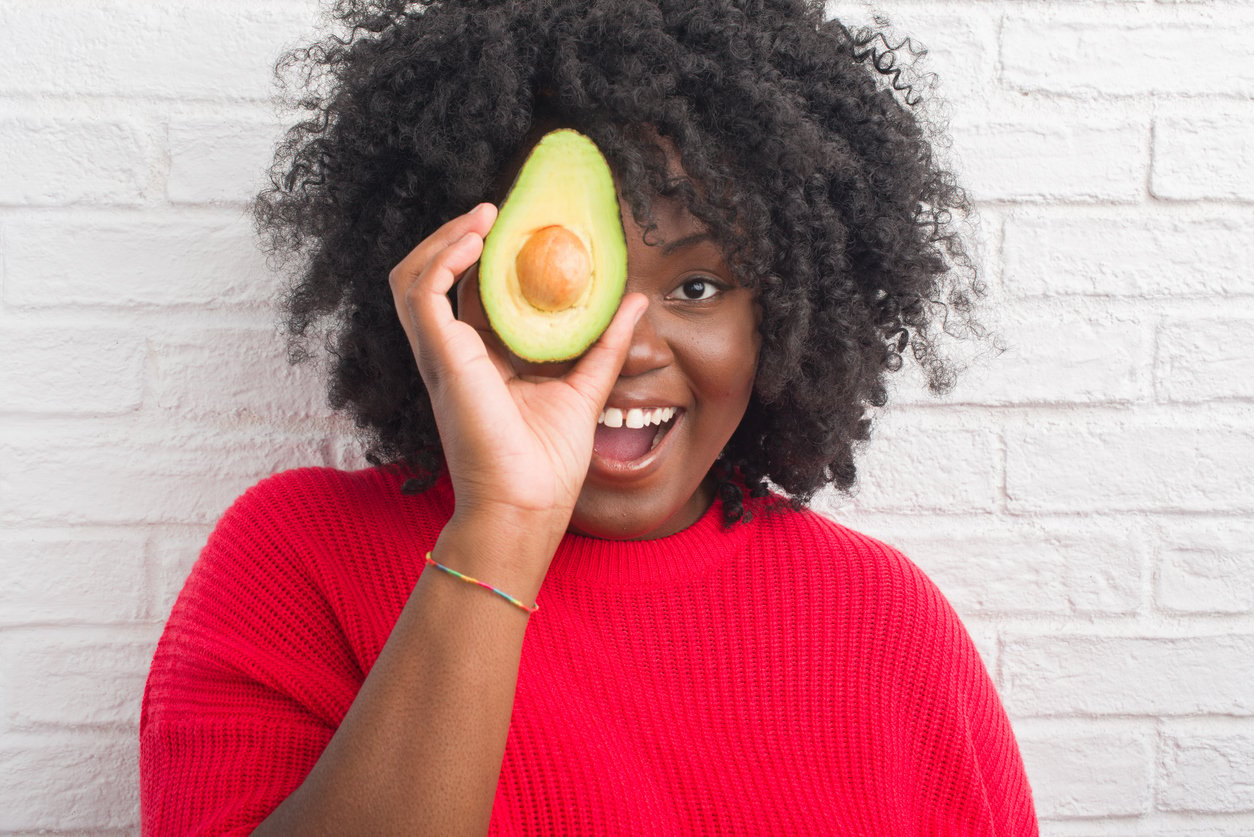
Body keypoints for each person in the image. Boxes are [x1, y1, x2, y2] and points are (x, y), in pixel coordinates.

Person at [140, 0, 1039, 833]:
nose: (629, 346)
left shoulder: (886, 623)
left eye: (697, 284)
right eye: (558, 272)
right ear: (450, 283)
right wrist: (502, 523)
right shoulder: (296, 560)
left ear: (782, 318)